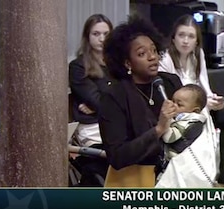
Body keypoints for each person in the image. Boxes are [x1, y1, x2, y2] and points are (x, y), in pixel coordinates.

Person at [158, 14, 224, 185]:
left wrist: (213, 100)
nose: (185, 41)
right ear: (173, 37)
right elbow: (173, 99)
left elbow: (204, 86)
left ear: (196, 41)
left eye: (190, 36)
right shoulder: (165, 60)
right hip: (181, 112)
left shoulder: (198, 56)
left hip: (199, 107)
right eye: (181, 35)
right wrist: (203, 105)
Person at [99, 14, 183, 186]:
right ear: (127, 63)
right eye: (142, 53)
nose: (152, 57)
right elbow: (117, 156)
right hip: (134, 181)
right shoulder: (114, 97)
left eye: (153, 50)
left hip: (176, 175)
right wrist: (158, 129)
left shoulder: (170, 82)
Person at [68, 14, 113, 186]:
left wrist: (101, 103)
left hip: (118, 123)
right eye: (96, 34)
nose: (102, 38)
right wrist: (102, 104)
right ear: (87, 36)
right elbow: (97, 101)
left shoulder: (119, 63)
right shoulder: (78, 66)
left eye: (106, 34)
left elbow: (129, 95)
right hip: (93, 129)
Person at [162, 84, 207, 159]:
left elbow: (168, 138)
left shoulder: (186, 123)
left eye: (179, 105)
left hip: (177, 162)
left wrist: (166, 120)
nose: (173, 105)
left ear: (195, 111)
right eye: (173, 101)